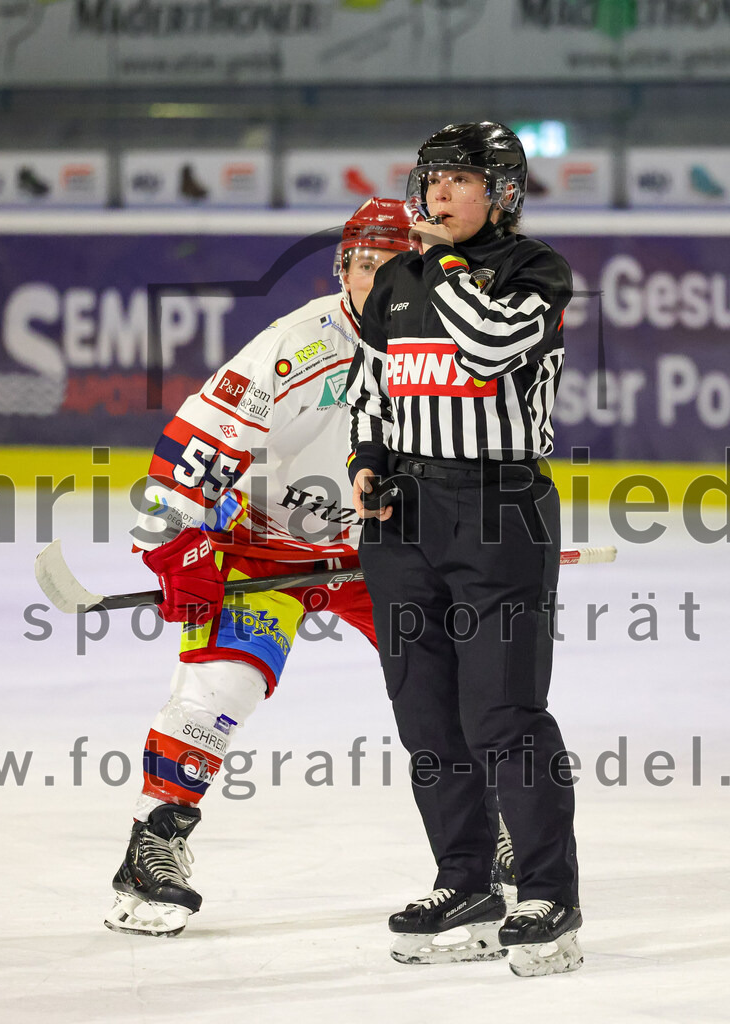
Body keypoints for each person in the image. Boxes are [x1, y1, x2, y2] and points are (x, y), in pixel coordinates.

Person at [104, 198, 415, 937]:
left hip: (383, 552)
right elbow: (185, 453)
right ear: (343, 267)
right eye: (366, 264)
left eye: (398, 267)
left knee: (453, 685)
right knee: (220, 689)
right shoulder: (296, 348)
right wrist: (179, 547)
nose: (380, 281)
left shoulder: (447, 348)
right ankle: (153, 847)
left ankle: (482, 842)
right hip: (262, 545)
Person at [346, 122, 582, 977]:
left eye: (458, 178)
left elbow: (484, 350)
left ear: (503, 191)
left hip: (497, 508)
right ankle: (465, 881)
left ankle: (549, 894)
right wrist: (366, 461)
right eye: (430, 177)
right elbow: (370, 390)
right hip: (404, 520)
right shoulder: (395, 281)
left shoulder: (534, 272)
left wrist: (446, 264)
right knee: (428, 718)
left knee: (503, 714)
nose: (437, 191)